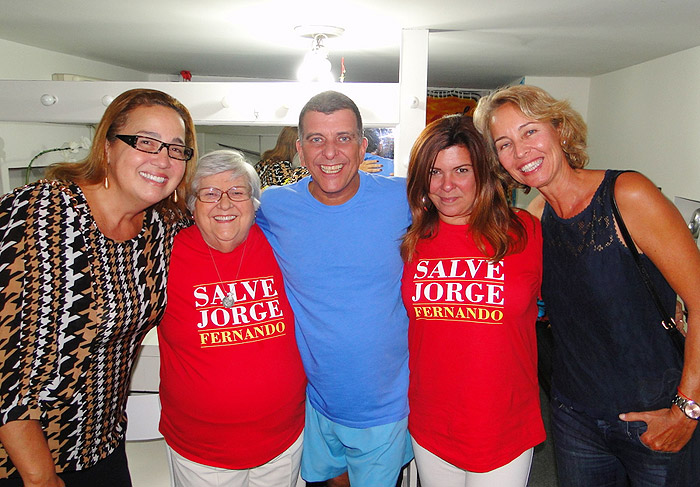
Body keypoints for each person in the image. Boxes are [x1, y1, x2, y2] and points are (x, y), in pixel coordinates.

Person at [473, 84, 700, 486]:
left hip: (656, 413)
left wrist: (687, 410)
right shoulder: (534, 219)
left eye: (530, 131)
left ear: (559, 129)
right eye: (504, 143)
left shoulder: (627, 195)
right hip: (575, 419)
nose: (521, 151)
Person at [0, 88, 197, 486]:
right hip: (22, 458)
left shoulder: (162, 227)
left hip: (99, 445)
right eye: (145, 142)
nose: (162, 159)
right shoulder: (35, 215)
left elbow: (224, 226)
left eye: (176, 149)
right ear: (107, 146)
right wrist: (39, 476)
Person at [256, 91, 413, 487]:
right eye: (316, 139)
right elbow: (220, 229)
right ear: (299, 149)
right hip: (314, 401)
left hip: (384, 405)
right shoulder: (274, 206)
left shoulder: (404, 198)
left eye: (343, 138)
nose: (330, 152)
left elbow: (468, 211)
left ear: (362, 147)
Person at [400, 114, 544, 486]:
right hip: (433, 424)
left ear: (482, 171)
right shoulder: (412, 240)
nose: (446, 185)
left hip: (504, 427)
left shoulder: (525, 232)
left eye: (461, 169)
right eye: (434, 172)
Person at [157, 150, 306, 487]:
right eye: (209, 194)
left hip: (282, 443)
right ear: (192, 204)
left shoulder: (284, 247)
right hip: (201, 454)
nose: (224, 205)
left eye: (237, 193)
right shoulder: (164, 255)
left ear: (255, 203)